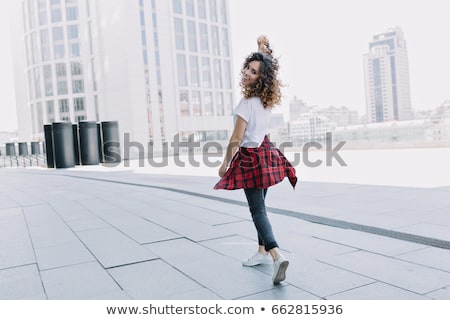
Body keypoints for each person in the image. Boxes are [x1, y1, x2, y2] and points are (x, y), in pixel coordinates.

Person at [214, 35, 297, 285]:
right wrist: (261, 50)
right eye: (247, 69)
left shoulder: (245, 104)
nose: (247, 73)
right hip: (266, 155)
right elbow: (268, 66)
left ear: (261, 77)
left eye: (253, 71)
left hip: (251, 158)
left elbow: (235, 139)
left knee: (257, 210)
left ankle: (275, 254)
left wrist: (224, 164)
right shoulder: (264, 101)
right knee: (261, 207)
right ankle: (261, 252)